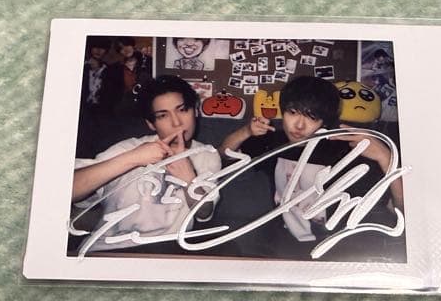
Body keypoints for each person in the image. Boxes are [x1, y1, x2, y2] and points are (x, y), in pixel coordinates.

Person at [218, 75, 404, 259]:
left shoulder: (345, 150)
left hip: (339, 248)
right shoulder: (275, 142)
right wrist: (246, 131)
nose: (299, 125)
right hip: (285, 243)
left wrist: (385, 157)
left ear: (325, 121)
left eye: (312, 117)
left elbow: (401, 210)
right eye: (292, 112)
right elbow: (222, 156)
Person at [71, 75, 222, 253]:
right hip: (112, 250)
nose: (177, 123)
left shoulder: (207, 154)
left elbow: (204, 213)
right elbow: (67, 191)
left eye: (182, 110)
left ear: (195, 111)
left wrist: (189, 179)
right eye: (163, 115)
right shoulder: (128, 148)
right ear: (151, 124)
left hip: (172, 251)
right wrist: (133, 158)